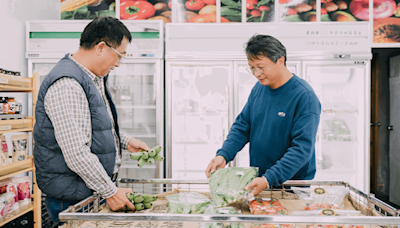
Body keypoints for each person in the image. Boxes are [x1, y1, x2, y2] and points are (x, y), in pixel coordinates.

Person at [33, 17, 150, 224]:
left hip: (86, 192)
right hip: (72, 199)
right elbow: (76, 152)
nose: (119, 63)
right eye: (120, 55)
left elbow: (90, 126)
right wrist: (110, 192)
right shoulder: (68, 84)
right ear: (101, 47)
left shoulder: (91, 78)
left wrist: (125, 141)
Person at [205, 34, 321, 196]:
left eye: (261, 67)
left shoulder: (304, 96)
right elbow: (242, 126)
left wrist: (269, 178)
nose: (256, 73)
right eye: (252, 67)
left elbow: (302, 149)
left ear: (280, 61)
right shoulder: (259, 88)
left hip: (291, 186)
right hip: (262, 181)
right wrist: (223, 155)